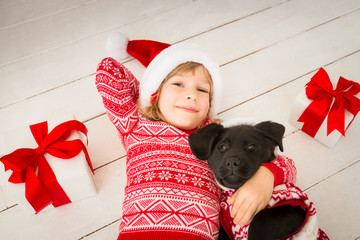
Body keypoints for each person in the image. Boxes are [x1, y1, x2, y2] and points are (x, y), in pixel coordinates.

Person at [95, 33, 296, 240]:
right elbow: (108, 71)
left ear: (210, 104)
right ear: (156, 93)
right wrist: (147, 92)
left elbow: (286, 164)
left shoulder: (218, 136)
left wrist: (267, 176)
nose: (192, 94)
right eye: (178, 84)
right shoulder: (137, 126)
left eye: (202, 89)